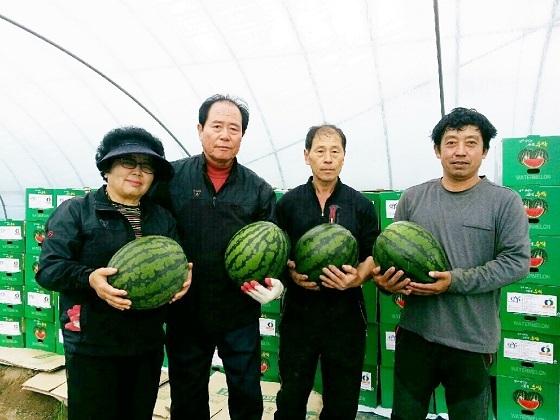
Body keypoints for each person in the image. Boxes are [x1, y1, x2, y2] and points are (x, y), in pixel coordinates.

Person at [373, 107, 530, 419]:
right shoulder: (413, 198)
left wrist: (454, 281)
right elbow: (391, 255)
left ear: (484, 151)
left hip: (471, 341)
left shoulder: (505, 201)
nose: (460, 151)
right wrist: (386, 283)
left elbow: (517, 263)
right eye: (451, 142)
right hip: (415, 335)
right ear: (437, 150)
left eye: (471, 143)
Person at [36, 126, 192, 420]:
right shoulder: (77, 211)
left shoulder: (162, 218)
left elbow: (176, 262)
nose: (138, 172)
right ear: (106, 169)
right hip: (92, 345)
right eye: (128, 162)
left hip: (144, 345)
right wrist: (90, 278)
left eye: (147, 166)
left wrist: (183, 277)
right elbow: (49, 269)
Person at [153, 94, 283, 420]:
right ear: (200, 129)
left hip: (238, 311)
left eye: (234, 129)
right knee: (187, 397)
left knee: (247, 394)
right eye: (217, 126)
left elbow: (273, 245)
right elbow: (152, 232)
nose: (225, 135)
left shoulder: (259, 190)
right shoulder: (170, 180)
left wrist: (274, 282)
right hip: (185, 310)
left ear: (242, 135)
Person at [272, 124, 379, 420]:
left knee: (342, 402)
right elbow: (275, 252)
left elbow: (374, 253)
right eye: (320, 151)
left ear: (344, 157)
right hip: (299, 315)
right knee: (291, 396)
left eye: (335, 151)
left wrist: (359, 276)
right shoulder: (288, 204)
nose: (328, 158)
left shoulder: (361, 205)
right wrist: (289, 273)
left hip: (345, 317)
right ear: (307, 156)